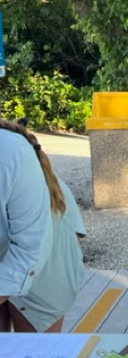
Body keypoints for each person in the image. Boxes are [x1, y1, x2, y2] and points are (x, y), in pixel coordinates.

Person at [0, 119, 86, 332]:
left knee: (33, 348)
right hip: (16, 250)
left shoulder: (11, 154)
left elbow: (30, 250)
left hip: (45, 267)